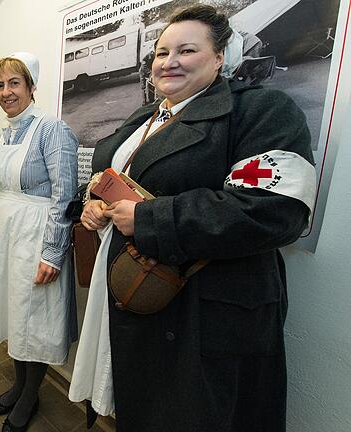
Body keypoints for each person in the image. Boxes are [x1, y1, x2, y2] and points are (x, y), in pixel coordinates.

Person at [68, 5, 316, 432]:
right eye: (162, 53)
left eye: (186, 50)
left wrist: (150, 218)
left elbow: (274, 212)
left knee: (194, 414)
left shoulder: (260, 112)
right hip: (138, 291)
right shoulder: (144, 117)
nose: (169, 62)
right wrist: (95, 202)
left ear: (220, 57)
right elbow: (109, 175)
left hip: (204, 308)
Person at [0, 52, 78, 431]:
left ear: (31, 88)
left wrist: (52, 253)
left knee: (33, 321)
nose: (5, 92)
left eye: (13, 83)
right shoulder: (5, 134)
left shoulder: (53, 130)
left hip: (36, 238)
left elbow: (65, 196)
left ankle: (30, 395)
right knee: (14, 315)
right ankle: (19, 385)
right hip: (6, 238)